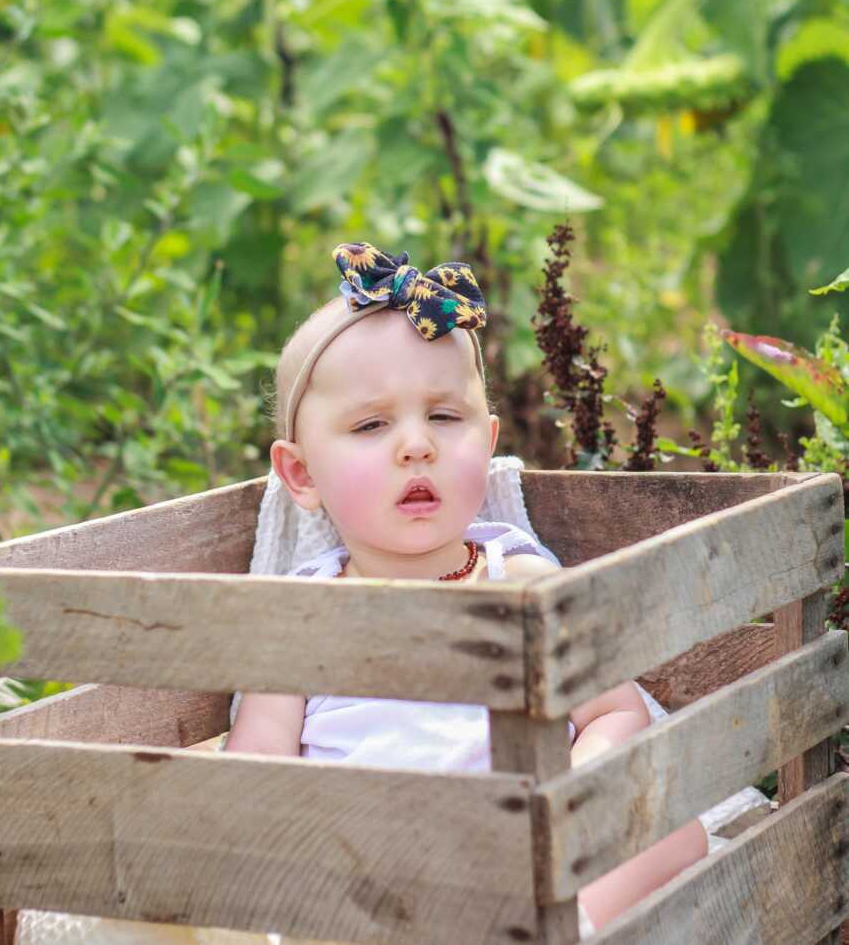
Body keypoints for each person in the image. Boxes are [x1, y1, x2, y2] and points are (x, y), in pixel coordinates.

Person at [225, 241, 710, 937]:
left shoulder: (520, 580)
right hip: (373, 873)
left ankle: (564, 930)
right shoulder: (299, 617)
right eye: (371, 425)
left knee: (675, 831)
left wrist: (567, 807)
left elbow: (617, 715)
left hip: (525, 855)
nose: (416, 445)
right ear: (300, 476)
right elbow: (259, 760)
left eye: (444, 418)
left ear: (486, 443)